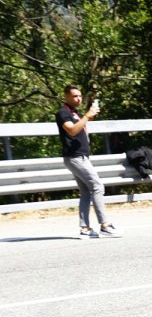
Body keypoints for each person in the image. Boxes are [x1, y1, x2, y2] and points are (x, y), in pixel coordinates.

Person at [56, 84, 120, 238]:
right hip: (75, 157)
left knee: (86, 192)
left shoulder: (76, 113)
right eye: (75, 96)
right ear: (66, 96)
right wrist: (86, 116)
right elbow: (72, 130)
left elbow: (80, 128)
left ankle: (85, 229)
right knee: (98, 187)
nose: (78, 99)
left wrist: (87, 116)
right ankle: (105, 225)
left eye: (80, 96)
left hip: (81, 157)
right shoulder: (63, 113)